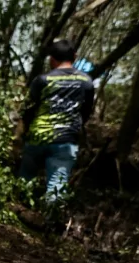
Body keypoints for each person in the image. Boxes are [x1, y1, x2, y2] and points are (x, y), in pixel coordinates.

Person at [20, 39, 95, 210]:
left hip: (37, 137)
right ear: (75, 57)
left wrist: (25, 132)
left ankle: (18, 219)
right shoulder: (86, 82)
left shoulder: (43, 80)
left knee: (25, 180)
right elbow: (86, 112)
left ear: (52, 59)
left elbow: (27, 109)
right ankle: (46, 227)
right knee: (56, 186)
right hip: (65, 141)